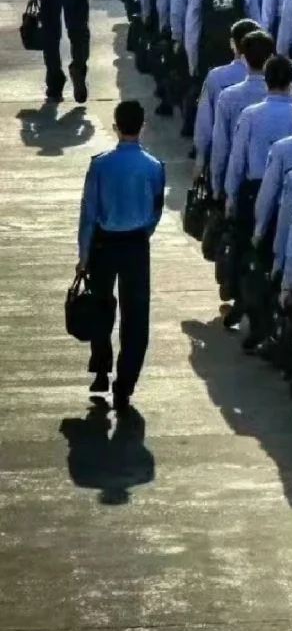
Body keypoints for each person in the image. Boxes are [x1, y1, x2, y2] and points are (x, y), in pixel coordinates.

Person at [76, 100, 166, 412]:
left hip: (103, 242)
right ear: (143, 126)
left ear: (115, 126)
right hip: (135, 244)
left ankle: (101, 366)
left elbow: (88, 212)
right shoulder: (154, 167)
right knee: (136, 315)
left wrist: (84, 253)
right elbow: (156, 209)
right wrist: (144, 233)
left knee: (100, 306)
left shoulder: (100, 164)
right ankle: (125, 383)